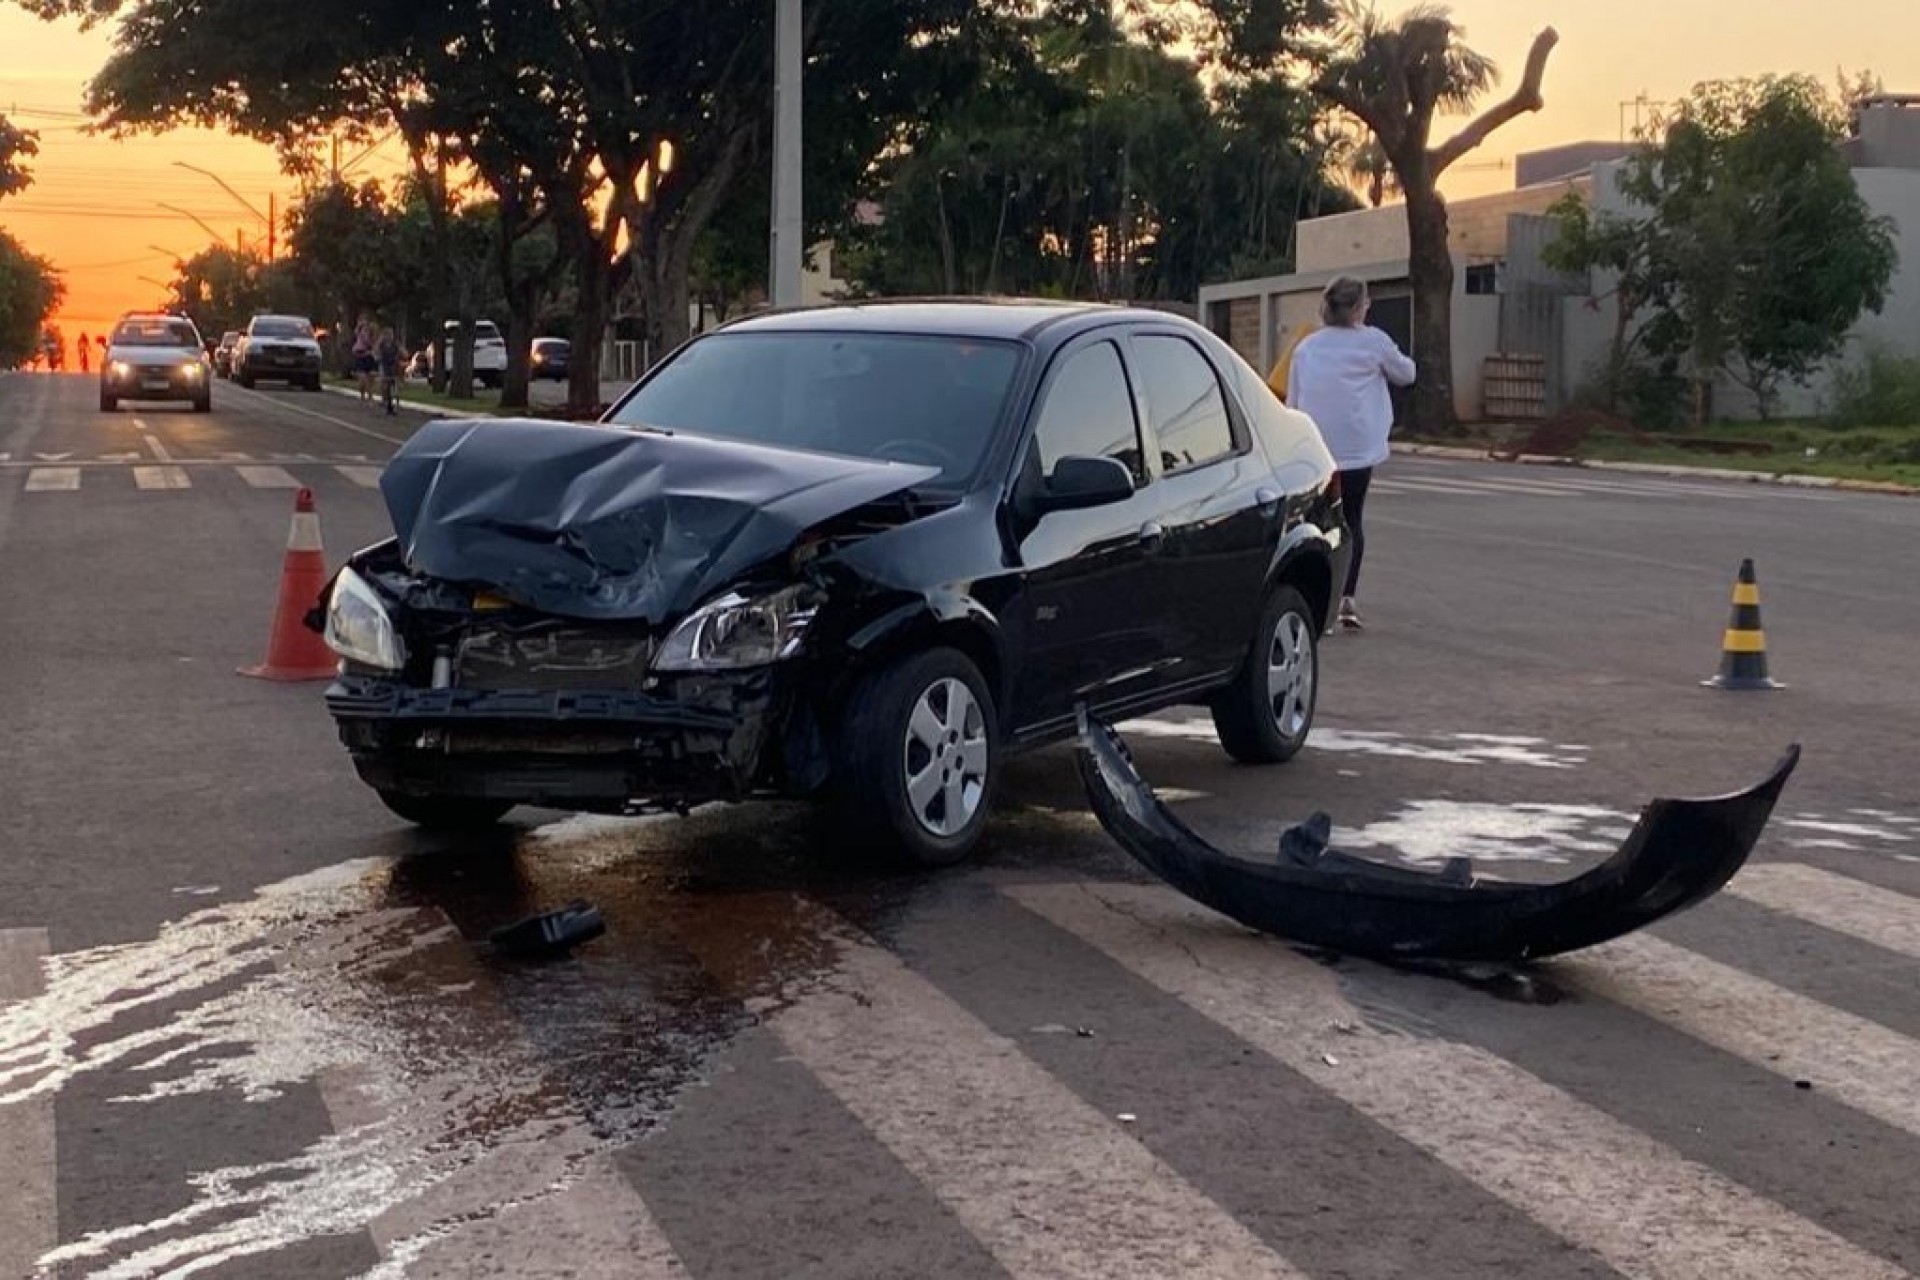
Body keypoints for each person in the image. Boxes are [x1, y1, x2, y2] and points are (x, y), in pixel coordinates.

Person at [1285, 276, 1417, 632]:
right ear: (1359, 308)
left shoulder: (1307, 347)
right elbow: (1407, 374)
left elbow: (1292, 402)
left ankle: (1317, 603)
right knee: (1352, 520)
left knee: (1317, 523)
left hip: (1318, 448)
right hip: (1357, 449)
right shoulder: (1373, 341)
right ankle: (1347, 599)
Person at [375, 326, 402, 415]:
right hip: (385, 365)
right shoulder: (381, 344)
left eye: (391, 334)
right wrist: (378, 357)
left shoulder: (395, 344)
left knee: (394, 386)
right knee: (386, 385)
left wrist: (401, 353)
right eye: (387, 334)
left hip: (394, 366)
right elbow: (375, 351)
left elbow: (404, 352)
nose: (389, 336)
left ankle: (394, 404)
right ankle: (388, 404)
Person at [351, 316, 378, 402]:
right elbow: (356, 332)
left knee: (371, 376)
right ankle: (363, 394)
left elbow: (375, 345)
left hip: (370, 355)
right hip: (360, 354)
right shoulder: (360, 332)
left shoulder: (374, 335)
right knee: (363, 379)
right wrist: (360, 325)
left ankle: (370, 394)